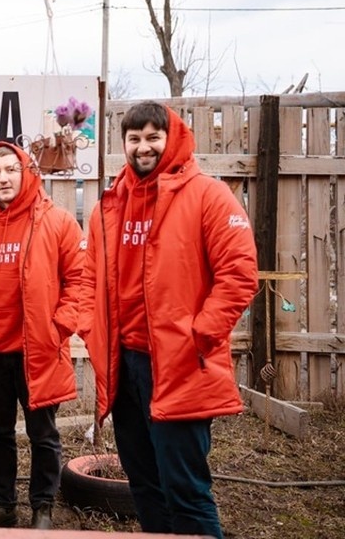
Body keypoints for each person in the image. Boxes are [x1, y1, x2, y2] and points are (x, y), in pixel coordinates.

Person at [77, 102, 258, 538]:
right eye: (134, 139)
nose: (144, 147)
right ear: (124, 144)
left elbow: (239, 273)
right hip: (124, 366)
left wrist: (201, 335)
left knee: (186, 488)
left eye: (153, 137)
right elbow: (89, 275)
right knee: (143, 484)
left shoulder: (207, 195)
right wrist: (90, 325)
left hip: (179, 364)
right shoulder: (110, 205)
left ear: (171, 137)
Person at [0, 141, 85, 529]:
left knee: (43, 434)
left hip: (37, 350)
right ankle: (3, 504)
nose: (3, 178)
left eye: (11, 170)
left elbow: (81, 280)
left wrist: (59, 326)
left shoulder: (57, 221)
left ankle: (42, 506)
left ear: (27, 173)